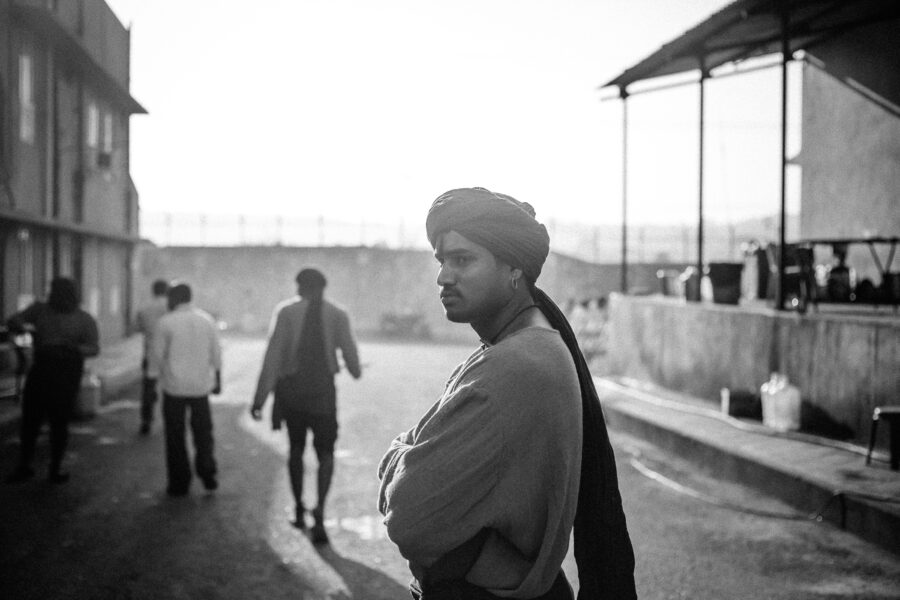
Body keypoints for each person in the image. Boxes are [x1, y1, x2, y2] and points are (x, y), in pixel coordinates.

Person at [377, 188, 636, 599]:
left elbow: (407, 516)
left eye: (463, 259)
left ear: (514, 268)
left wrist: (400, 454)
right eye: (442, 260)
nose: (444, 276)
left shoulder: (515, 366)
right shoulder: (525, 345)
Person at [251, 268, 361, 544]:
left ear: (300, 287)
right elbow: (352, 358)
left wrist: (260, 398)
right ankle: (320, 512)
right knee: (325, 453)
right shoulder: (337, 314)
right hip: (323, 395)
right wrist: (355, 368)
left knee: (296, 449)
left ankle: (299, 508)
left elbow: (273, 356)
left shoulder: (286, 312)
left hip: (292, 394)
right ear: (323, 287)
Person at [5, 277, 99, 484]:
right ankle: (30, 466)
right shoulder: (41, 310)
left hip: (66, 371)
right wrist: (24, 328)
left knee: (55, 421)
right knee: (35, 419)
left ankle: (51, 467)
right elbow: (13, 320)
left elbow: (93, 348)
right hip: (45, 369)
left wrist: (73, 348)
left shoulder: (83, 319)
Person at [152, 282, 222, 497]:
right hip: (200, 388)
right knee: (203, 433)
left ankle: (179, 482)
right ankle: (207, 469)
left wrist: (153, 384)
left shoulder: (165, 322)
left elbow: (157, 356)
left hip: (174, 388)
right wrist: (218, 380)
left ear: (173, 298)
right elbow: (216, 353)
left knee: (175, 437)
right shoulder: (206, 320)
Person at [136, 279, 170, 435]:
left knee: (148, 387)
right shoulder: (171, 307)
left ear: (153, 290)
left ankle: (146, 420)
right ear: (167, 290)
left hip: (150, 352)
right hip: (170, 353)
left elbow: (138, 328)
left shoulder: (144, 308)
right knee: (170, 388)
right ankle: (170, 419)